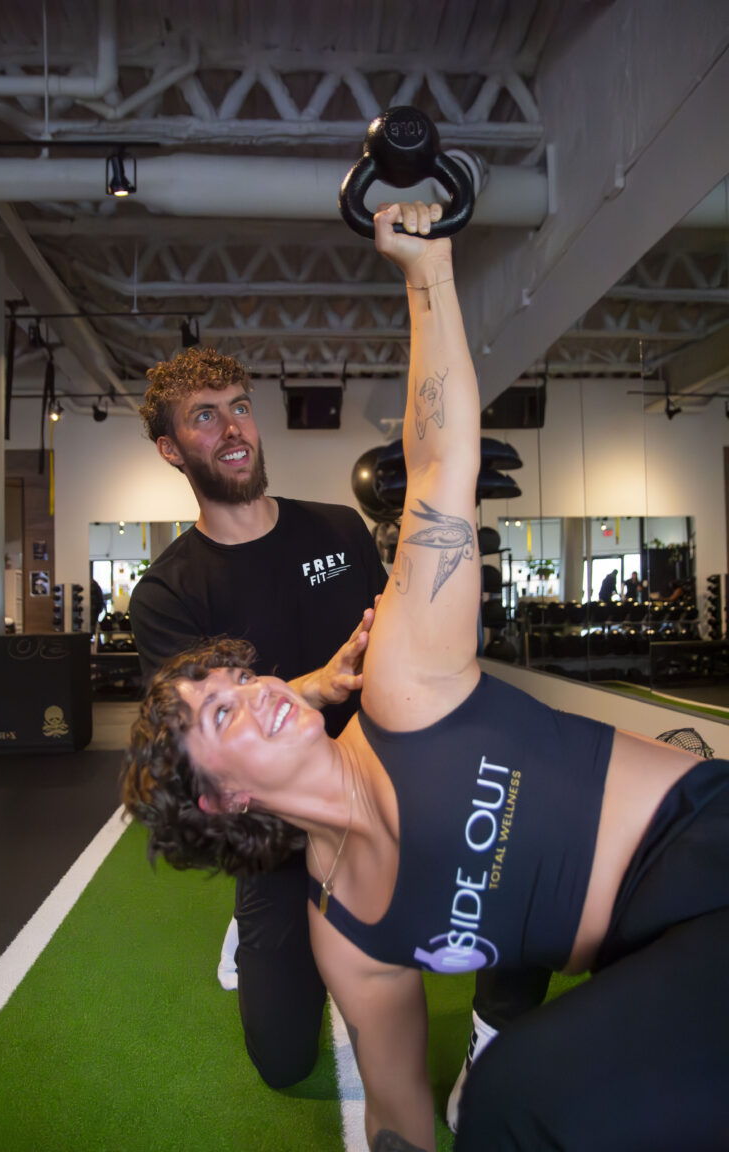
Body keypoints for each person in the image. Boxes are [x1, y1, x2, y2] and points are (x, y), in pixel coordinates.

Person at [123, 202, 729, 1151]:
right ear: (222, 797)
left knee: (509, 1096)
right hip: (645, 951)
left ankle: (500, 1018)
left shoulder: (400, 684)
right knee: (468, 1096)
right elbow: (399, 1114)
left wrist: (427, 268)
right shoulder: (350, 935)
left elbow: (440, 461)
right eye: (226, 710)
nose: (262, 689)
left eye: (241, 678)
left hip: (699, 852)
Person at [128, 345, 388, 1088]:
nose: (232, 427)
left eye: (239, 405)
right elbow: (204, 743)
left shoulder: (339, 531)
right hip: (280, 833)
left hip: (380, 793)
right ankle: (252, 923)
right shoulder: (168, 595)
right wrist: (324, 683)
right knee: (282, 1061)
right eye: (205, 417)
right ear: (172, 449)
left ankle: (489, 1027)